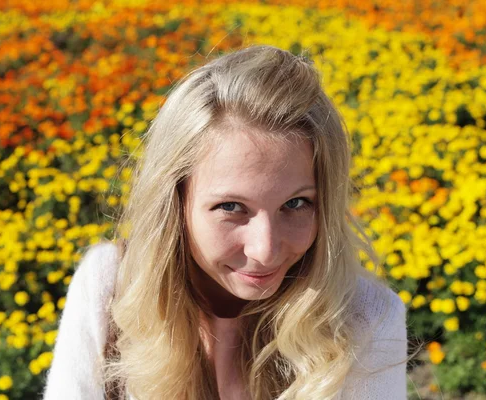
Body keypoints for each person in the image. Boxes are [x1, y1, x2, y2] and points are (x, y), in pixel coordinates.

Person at [42, 45, 409, 400]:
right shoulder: (110, 290)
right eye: (231, 206)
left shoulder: (366, 319)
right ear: (174, 200)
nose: (264, 250)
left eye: (296, 204)